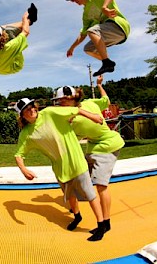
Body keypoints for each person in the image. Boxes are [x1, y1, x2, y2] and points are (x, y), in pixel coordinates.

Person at [14, 98, 106, 241]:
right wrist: (24, 170)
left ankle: (101, 226)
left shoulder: (50, 113)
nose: (32, 109)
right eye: (27, 108)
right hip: (60, 168)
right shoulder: (26, 134)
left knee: (90, 194)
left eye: (32, 106)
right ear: (22, 115)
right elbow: (19, 155)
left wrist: (93, 116)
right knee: (70, 196)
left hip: (76, 161)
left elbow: (76, 110)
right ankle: (77, 217)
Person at [52, 75, 125, 235]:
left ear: (72, 99)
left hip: (108, 145)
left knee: (101, 185)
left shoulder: (72, 120)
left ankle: (106, 223)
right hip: (93, 148)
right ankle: (77, 211)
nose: (60, 104)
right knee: (78, 178)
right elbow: (106, 99)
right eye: (59, 102)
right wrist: (99, 85)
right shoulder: (90, 103)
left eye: (63, 101)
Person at [65, 0, 130, 77]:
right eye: (71, 0)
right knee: (88, 49)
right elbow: (83, 34)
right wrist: (72, 47)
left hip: (118, 25)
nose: (73, 0)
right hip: (113, 36)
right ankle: (108, 62)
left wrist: (104, 7)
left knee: (92, 30)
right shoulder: (85, 15)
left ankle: (106, 62)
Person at [0, 3, 37, 75]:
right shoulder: (8, 47)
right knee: (10, 33)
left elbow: (1, 30)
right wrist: (25, 18)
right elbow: (26, 32)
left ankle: (29, 20)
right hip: (14, 65)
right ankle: (29, 20)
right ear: (0, 38)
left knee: (5, 29)